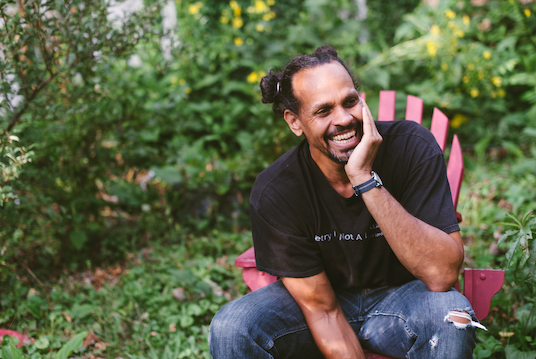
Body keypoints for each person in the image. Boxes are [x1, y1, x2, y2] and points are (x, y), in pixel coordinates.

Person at [209, 46, 484, 358]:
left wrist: (365, 179)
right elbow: (323, 311)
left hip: (404, 299)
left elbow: (441, 274)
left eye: (350, 102)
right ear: (295, 121)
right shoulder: (278, 190)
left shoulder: (411, 147)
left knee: (453, 317)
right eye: (323, 111)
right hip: (318, 305)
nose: (343, 119)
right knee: (232, 327)